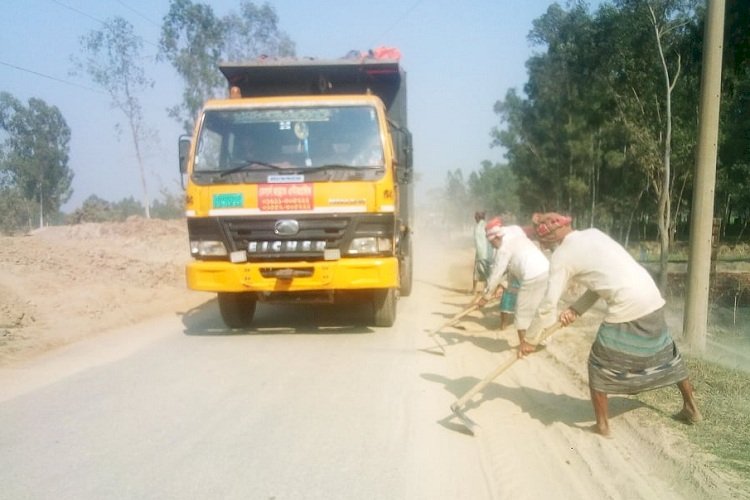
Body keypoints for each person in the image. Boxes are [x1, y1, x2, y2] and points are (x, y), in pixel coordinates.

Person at [522, 212, 702, 437]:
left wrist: (528, 341)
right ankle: (691, 407)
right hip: (650, 293)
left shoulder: (561, 256)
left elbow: (548, 304)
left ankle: (602, 425)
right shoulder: (593, 233)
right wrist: (576, 309)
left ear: (549, 237)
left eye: (543, 240)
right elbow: (601, 281)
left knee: (598, 365)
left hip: (628, 302)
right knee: (666, 351)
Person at [477, 217, 550, 347]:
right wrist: (507, 287)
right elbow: (513, 269)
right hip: (546, 270)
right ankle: (543, 340)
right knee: (538, 309)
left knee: (521, 314)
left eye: (491, 242)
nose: (491, 245)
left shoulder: (503, 250)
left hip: (532, 276)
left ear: (496, 238)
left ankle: (524, 345)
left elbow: (496, 274)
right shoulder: (515, 234)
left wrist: (486, 296)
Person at [472, 211, 492, 293]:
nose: (475, 219)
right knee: (488, 272)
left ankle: (474, 290)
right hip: (489, 253)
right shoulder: (487, 225)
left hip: (480, 253)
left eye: (475, 217)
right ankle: (485, 289)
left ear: (478, 218)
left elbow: (476, 240)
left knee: (476, 272)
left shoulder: (477, 227)